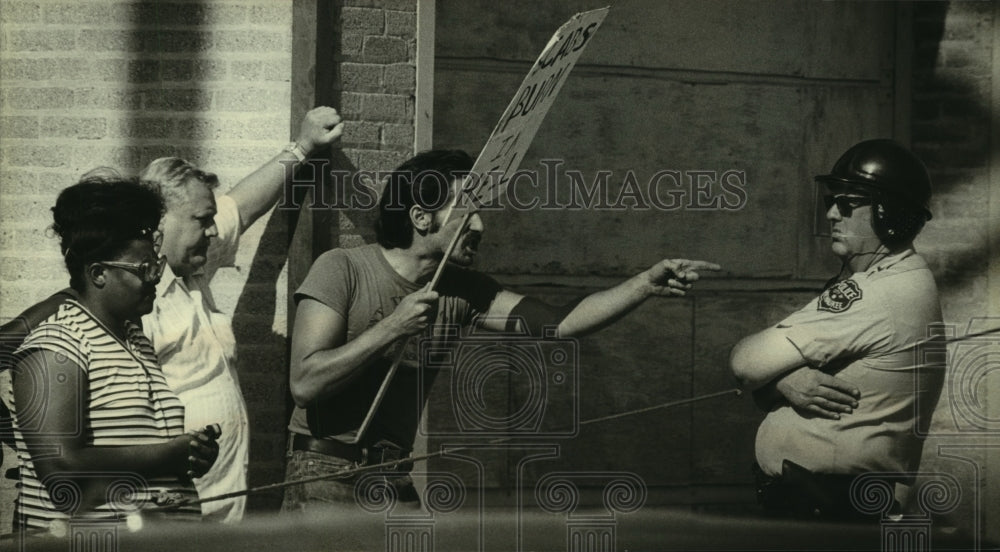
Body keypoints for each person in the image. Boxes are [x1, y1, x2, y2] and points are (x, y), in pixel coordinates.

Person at [281, 149, 721, 512]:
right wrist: (392, 328)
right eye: (466, 215)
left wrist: (643, 284)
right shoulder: (342, 268)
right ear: (420, 217)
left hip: (394, 480)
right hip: (324, 475)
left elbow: (559, 325)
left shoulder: (465, 290)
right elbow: (304, 383)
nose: (480, 227)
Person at [0, 106, 345, 523]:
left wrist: (303, 146)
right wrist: (30, 439)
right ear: (160, 225)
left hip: (193, 510)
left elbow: (244, 206)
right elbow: (60, 464)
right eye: (203, 220)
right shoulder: (95, 312)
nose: (215, 230)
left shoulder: (179, 281)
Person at [729, 139, 945, 520]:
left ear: (886, 211)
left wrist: (771, 379)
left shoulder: (876, 293)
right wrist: (784, 382)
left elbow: (745, 363)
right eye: (832, 201)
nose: (831, 213)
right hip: (826, 501)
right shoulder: (900, 279)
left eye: (846, 204)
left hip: (829, 506)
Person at [9, 177, 219, 531]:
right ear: (98, 274)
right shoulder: (57, 347)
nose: (155, 278)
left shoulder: (134, 341)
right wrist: (171, 453)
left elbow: (134, 452)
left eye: (157, 266)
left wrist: (192, 456)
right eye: (143, 270)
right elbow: (60, 469)